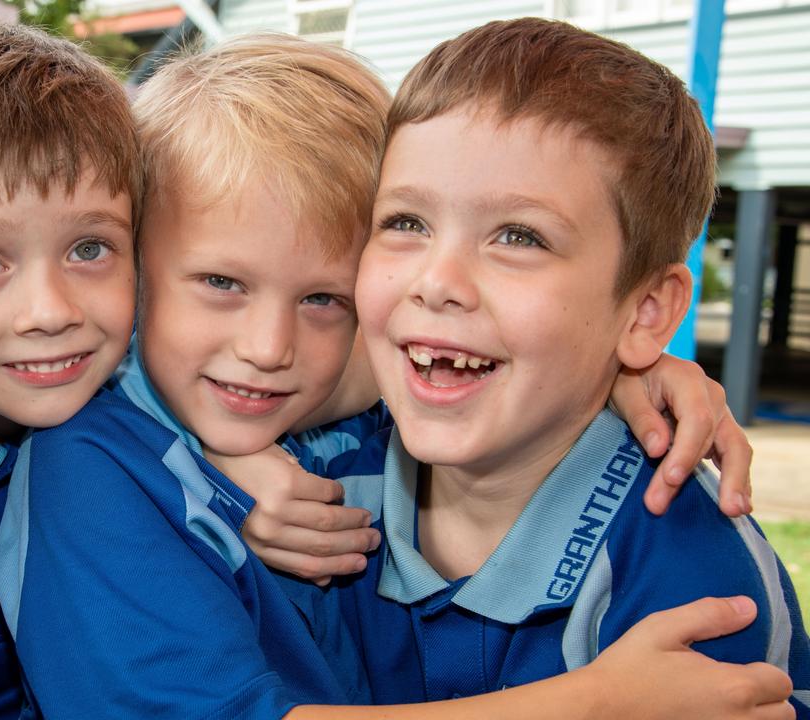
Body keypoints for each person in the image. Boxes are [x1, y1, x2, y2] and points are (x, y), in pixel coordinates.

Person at [0, 33, 793, 720]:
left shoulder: (688, 568)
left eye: (325, 298)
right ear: (133, 275)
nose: (269, 348)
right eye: (408, 223)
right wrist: (591, 703)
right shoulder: (105, 460)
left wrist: (630, 368)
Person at [338, 17, 809, 712]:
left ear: (646, 310)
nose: (437, 281)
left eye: (519, 236)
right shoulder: (321, 475)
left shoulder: (695, 581)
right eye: (406, 222)